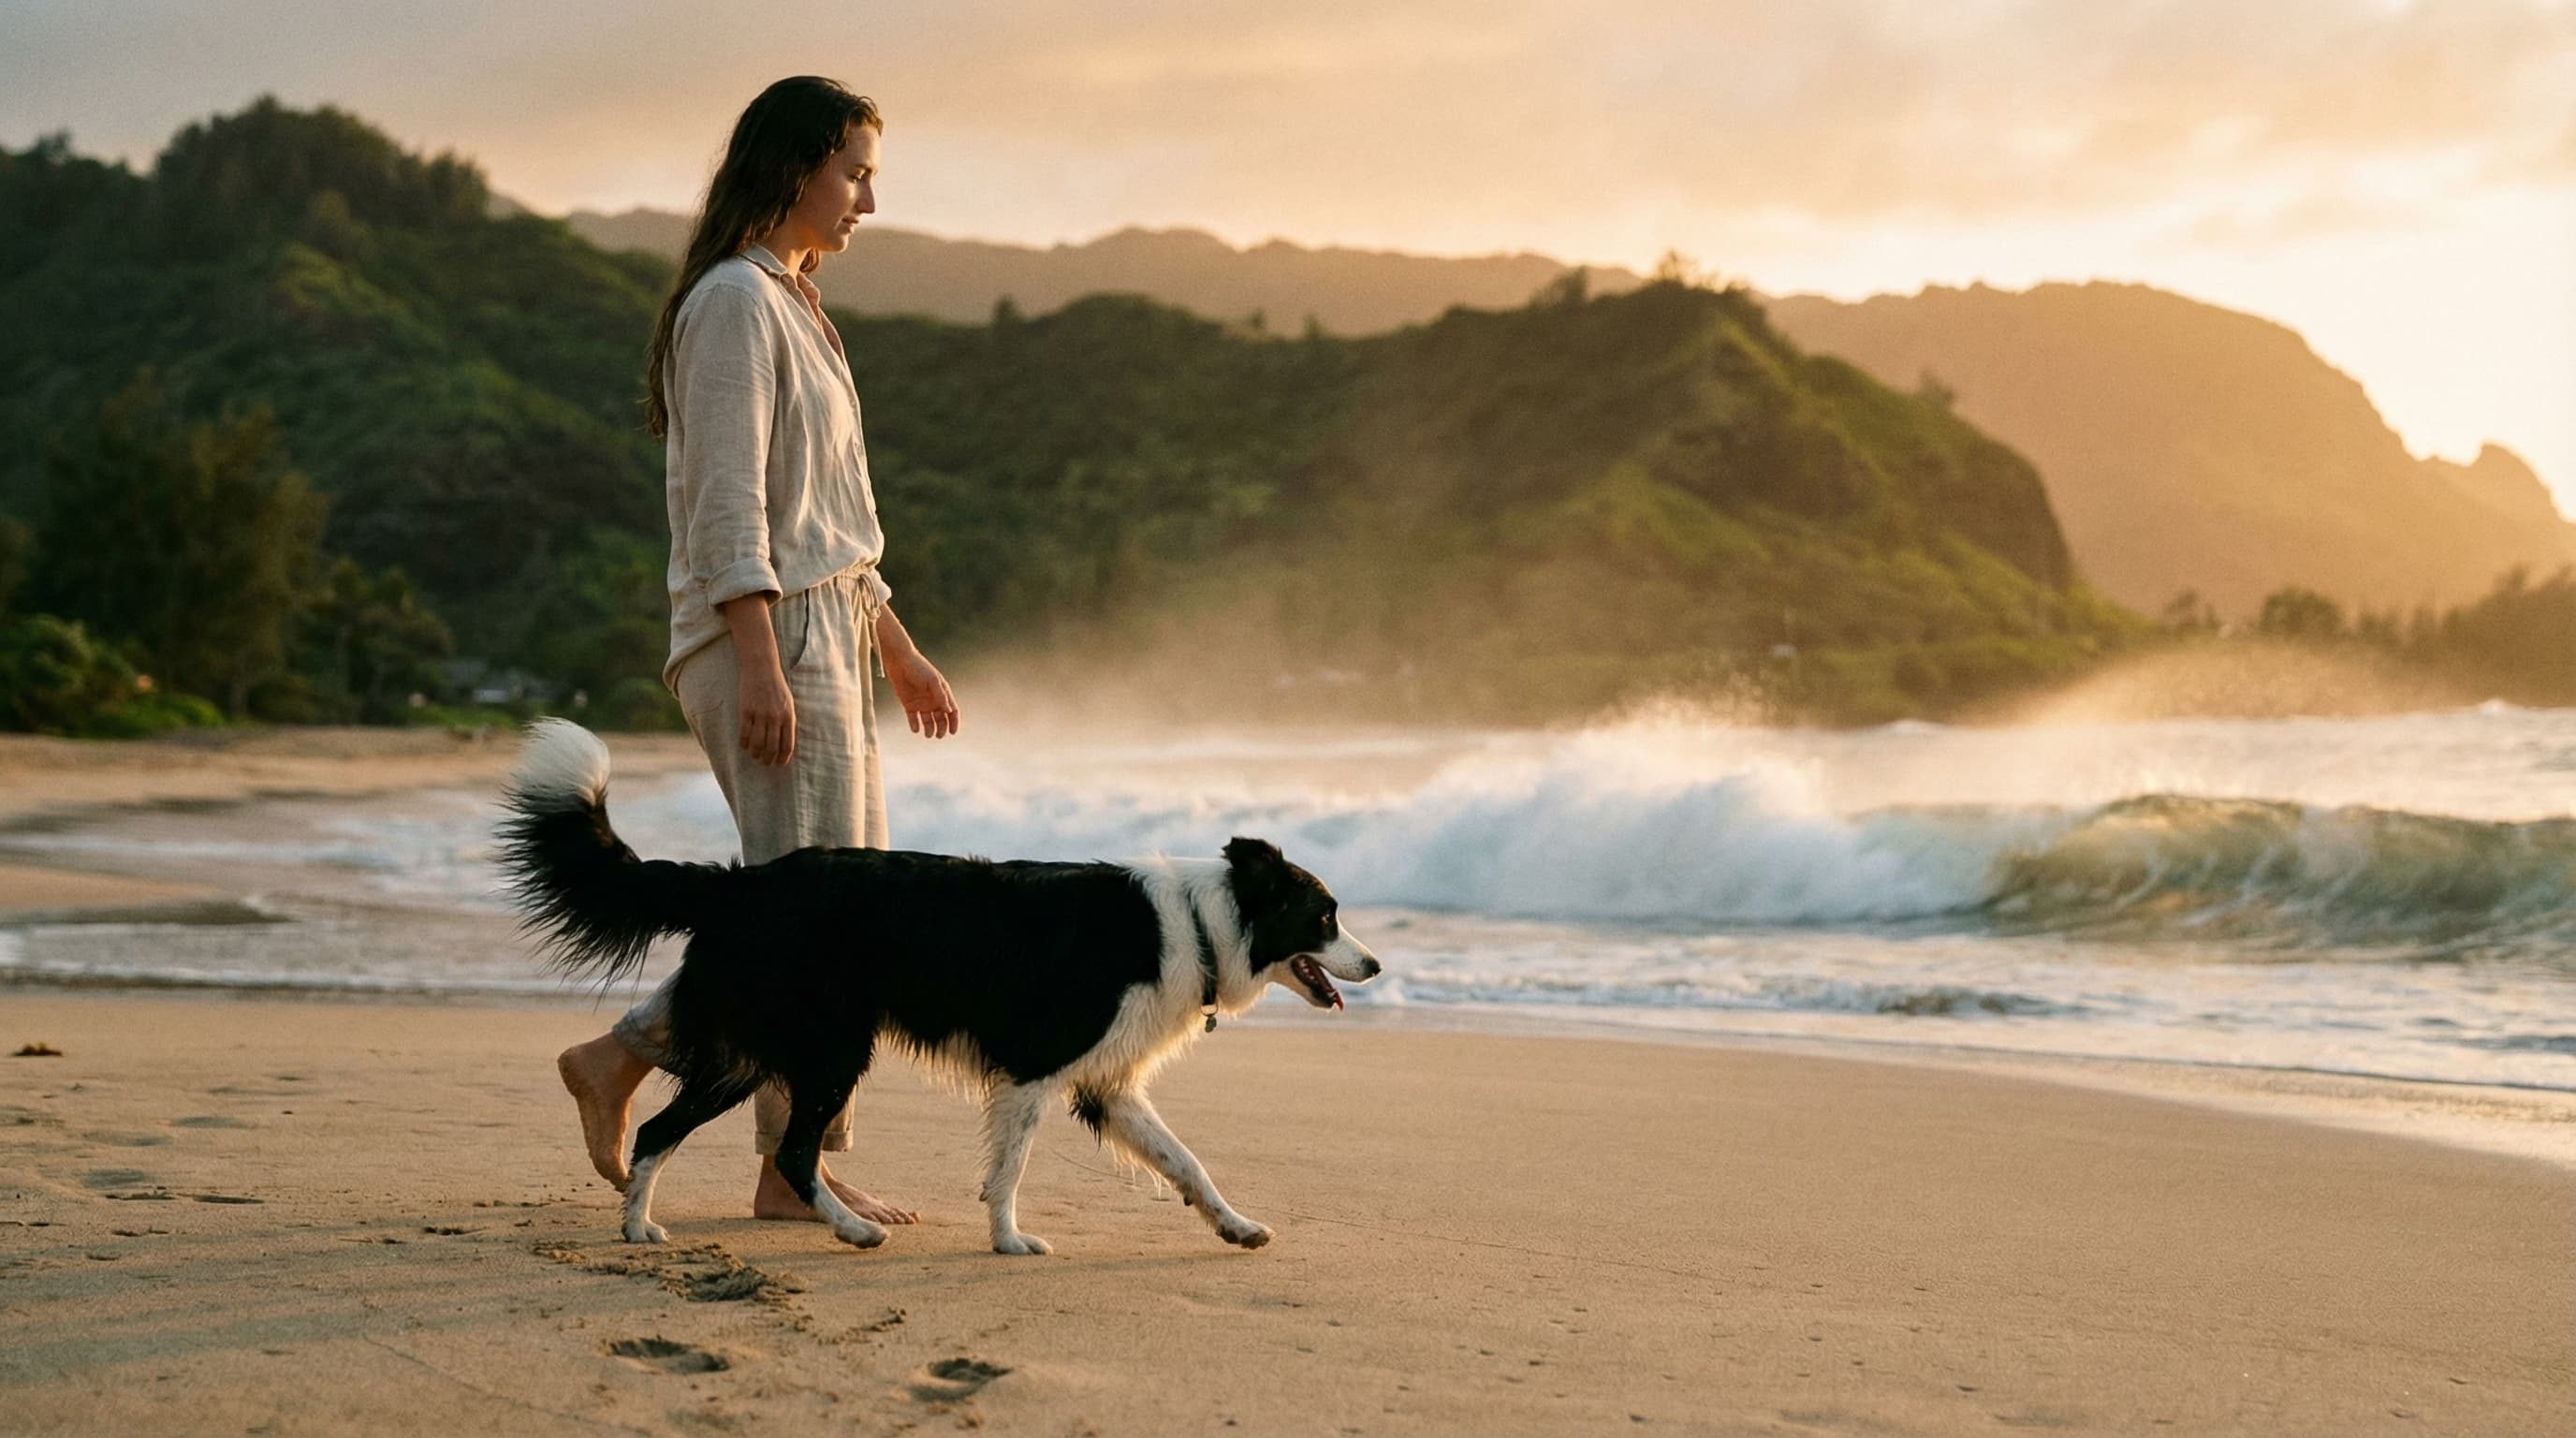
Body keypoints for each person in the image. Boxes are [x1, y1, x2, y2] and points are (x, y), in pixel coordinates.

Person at [555, 77, 956, 1227]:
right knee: (814, 929)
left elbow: (831, 520)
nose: (867, 200)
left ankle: (661, 1083)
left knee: (836, 923)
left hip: (825, 628)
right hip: (765, 637)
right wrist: (763, 657)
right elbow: (730, 503)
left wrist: (899, 650)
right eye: (855, 172)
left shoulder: (797, 304)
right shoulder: (734, 302)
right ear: (793, 166)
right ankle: (788, 1171)